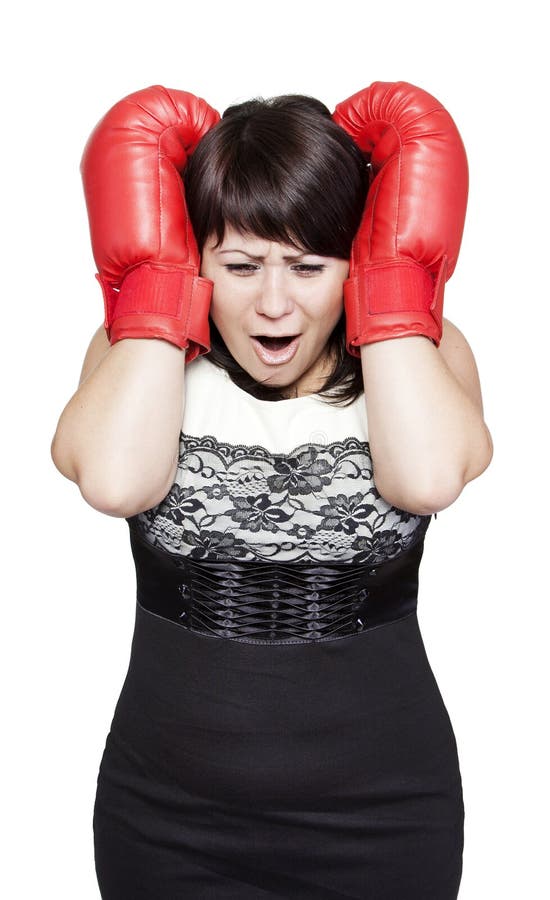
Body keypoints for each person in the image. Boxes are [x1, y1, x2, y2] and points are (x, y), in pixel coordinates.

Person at [51, 82, 493, 899]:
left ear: (354, 261)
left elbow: (428, 477)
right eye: (241, 265)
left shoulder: (421, 353)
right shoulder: (139, 352)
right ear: (197, 260)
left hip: (386, 813)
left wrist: (391, 289)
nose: (276, 302)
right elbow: (114, 480)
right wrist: (156, 290)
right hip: (166, 816)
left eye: (309, 265)